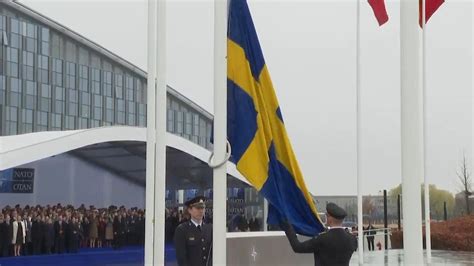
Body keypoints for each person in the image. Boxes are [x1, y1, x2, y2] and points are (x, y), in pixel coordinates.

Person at [281, 202, 357, 266]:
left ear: (330, 219)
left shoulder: (322, 239)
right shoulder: (352, 239)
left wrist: (287, 227)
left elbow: (297, 247)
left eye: (327, 215)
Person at [174, 196, 212, 266]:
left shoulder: (210, 228)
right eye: (198, 208)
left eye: (203, 208)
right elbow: (182, 258)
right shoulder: (182, 230)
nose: (201, 211)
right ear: (189, 210)